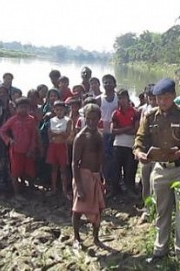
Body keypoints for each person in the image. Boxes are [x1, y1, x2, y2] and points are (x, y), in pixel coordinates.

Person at [133, 78, 180, 265]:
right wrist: (139, 153)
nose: (162, 102)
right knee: (162, 210)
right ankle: (160, 249)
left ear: (174, 97)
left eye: (166, 98)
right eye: (159, 98)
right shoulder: (150, 116)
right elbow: (140, 139)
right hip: (160, 169)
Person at [72, 103, 106, 249]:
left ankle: (96, 238)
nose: (92, 122)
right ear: (84, 118)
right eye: (89, 119)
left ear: (99, 118)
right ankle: (77, 237)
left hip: (95, 176)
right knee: (78, 209)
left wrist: (102, 177)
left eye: (95, 119)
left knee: (98, 209)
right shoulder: (81, 137)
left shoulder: (99, 135)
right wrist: (79, 186)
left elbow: (101, 158)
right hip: (83, 176)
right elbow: (74, 163)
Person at [0, 97, 38, 200]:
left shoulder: (31, 119)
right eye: (21, 107)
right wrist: (9, 140)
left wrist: (32, 148)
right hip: (15, 150)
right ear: (16, 108)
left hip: (28, 150)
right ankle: (17, 193)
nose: (23, 109)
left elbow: (34, 135)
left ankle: (31, 189)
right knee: (15, 172)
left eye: (25, 107)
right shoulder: (13, 119)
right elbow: (2, 130)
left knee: (30, 171)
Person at [111, 89, 139, 194]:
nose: (122, 100)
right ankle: (116, 191)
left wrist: (121, 130)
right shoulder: (115, 113)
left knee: (130, 169)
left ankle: (130, 189)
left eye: (124, 98)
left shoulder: (135, 112)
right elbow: (113, 130)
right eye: (120, 98)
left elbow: (135, 130)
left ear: (128, 98)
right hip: (118, 144)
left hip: (130, 144)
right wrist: (128, 128)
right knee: (116, 169)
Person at [138, 84, 157, 222]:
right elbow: (140, 131)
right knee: (145, 181)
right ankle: (147, 206)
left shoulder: (163, 111)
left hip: (157, 152)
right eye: (150, 98)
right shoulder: (144, 110)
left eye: (154, 98)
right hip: (145, 151)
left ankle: (155, 209)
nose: (153, 101)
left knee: (155, 181)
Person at [97, 74, 119, 194]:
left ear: (114, 84)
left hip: (115, 132)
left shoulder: (118, 98)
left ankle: (112, 181)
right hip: (102, 132)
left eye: (110, 82)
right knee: (103, 157)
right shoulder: (99, 99)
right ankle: (103, 181)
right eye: (105, 82)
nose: (107, 84)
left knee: (113, 157)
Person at [46, 100, 72, 198]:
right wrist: (59, 134)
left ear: (64, 110)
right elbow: (49, 134)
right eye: (57, 109)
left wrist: (57, 134)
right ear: (54, 110)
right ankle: (54, 189)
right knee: (54, 168)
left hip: (62, 146)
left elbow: (67, 134)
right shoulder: (52, 120)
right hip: (53, 146)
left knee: (63, 169)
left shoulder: (67, 120)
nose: (59, 111)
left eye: (61, 109)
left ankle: (64, 190)